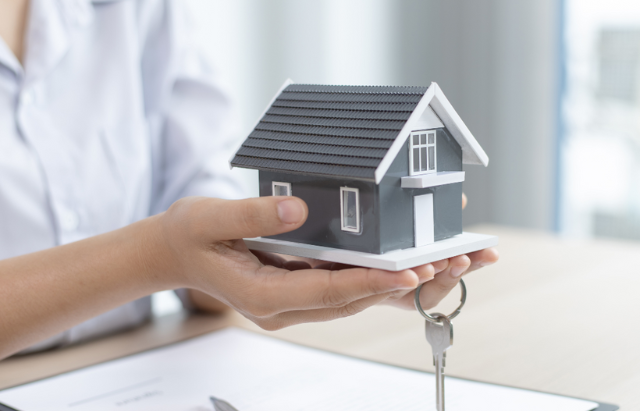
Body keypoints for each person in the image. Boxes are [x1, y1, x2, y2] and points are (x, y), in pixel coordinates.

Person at [0, 0, 498, 360]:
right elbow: (174, 248)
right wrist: (157, 257)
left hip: (144, 358)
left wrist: (269, 260)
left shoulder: (143, 9)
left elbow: (198, 208)